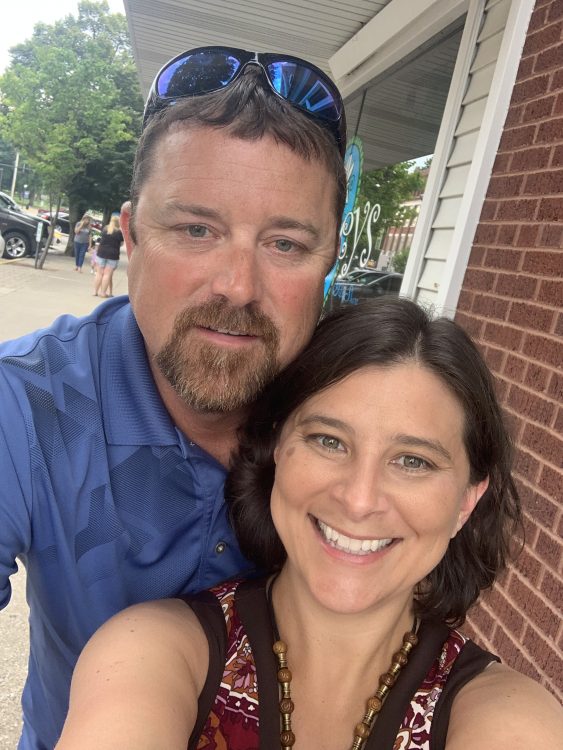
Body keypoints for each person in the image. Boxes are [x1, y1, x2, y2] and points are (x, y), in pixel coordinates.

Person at [0, 46, 346, 749]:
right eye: (196, 230)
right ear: (128, 236)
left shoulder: (365, 406)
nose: (237, 285)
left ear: (328, 265)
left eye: (284, 244)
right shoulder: (26, 404)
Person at [56, 298, 562, 749]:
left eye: (413, 461)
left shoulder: (511, 718)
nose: (360, 500)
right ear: (277, 449)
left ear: (467, 502)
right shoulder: (155, 654)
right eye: (329, 441)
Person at [93, 213, 123, 298]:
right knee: (107, 274)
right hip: (113, 254)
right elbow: (121, 244)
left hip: (101, 252)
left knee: (99, 273)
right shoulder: (119, 232)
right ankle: (103, 293)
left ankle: (95, 291)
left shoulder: (105, 229)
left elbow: (101, 239)